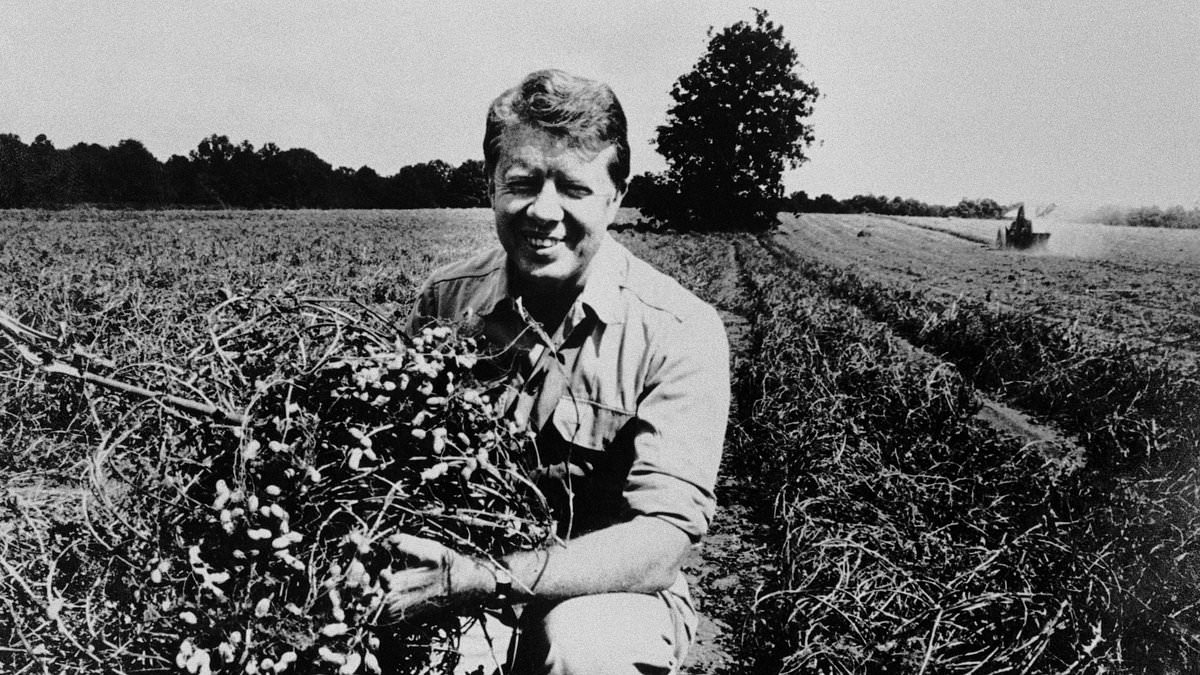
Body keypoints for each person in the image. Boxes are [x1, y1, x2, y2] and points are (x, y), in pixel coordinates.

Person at [389, 69, 730, 675]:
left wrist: (488, 578)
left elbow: (660, 541)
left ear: (615, 196)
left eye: (573, 187)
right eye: (521, 183)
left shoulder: (679, 329)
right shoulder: (446, 301)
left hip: (610, 589)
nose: (543, 212)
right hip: (454, 575)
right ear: (490, 185)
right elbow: (396, 469)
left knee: (587, 644)